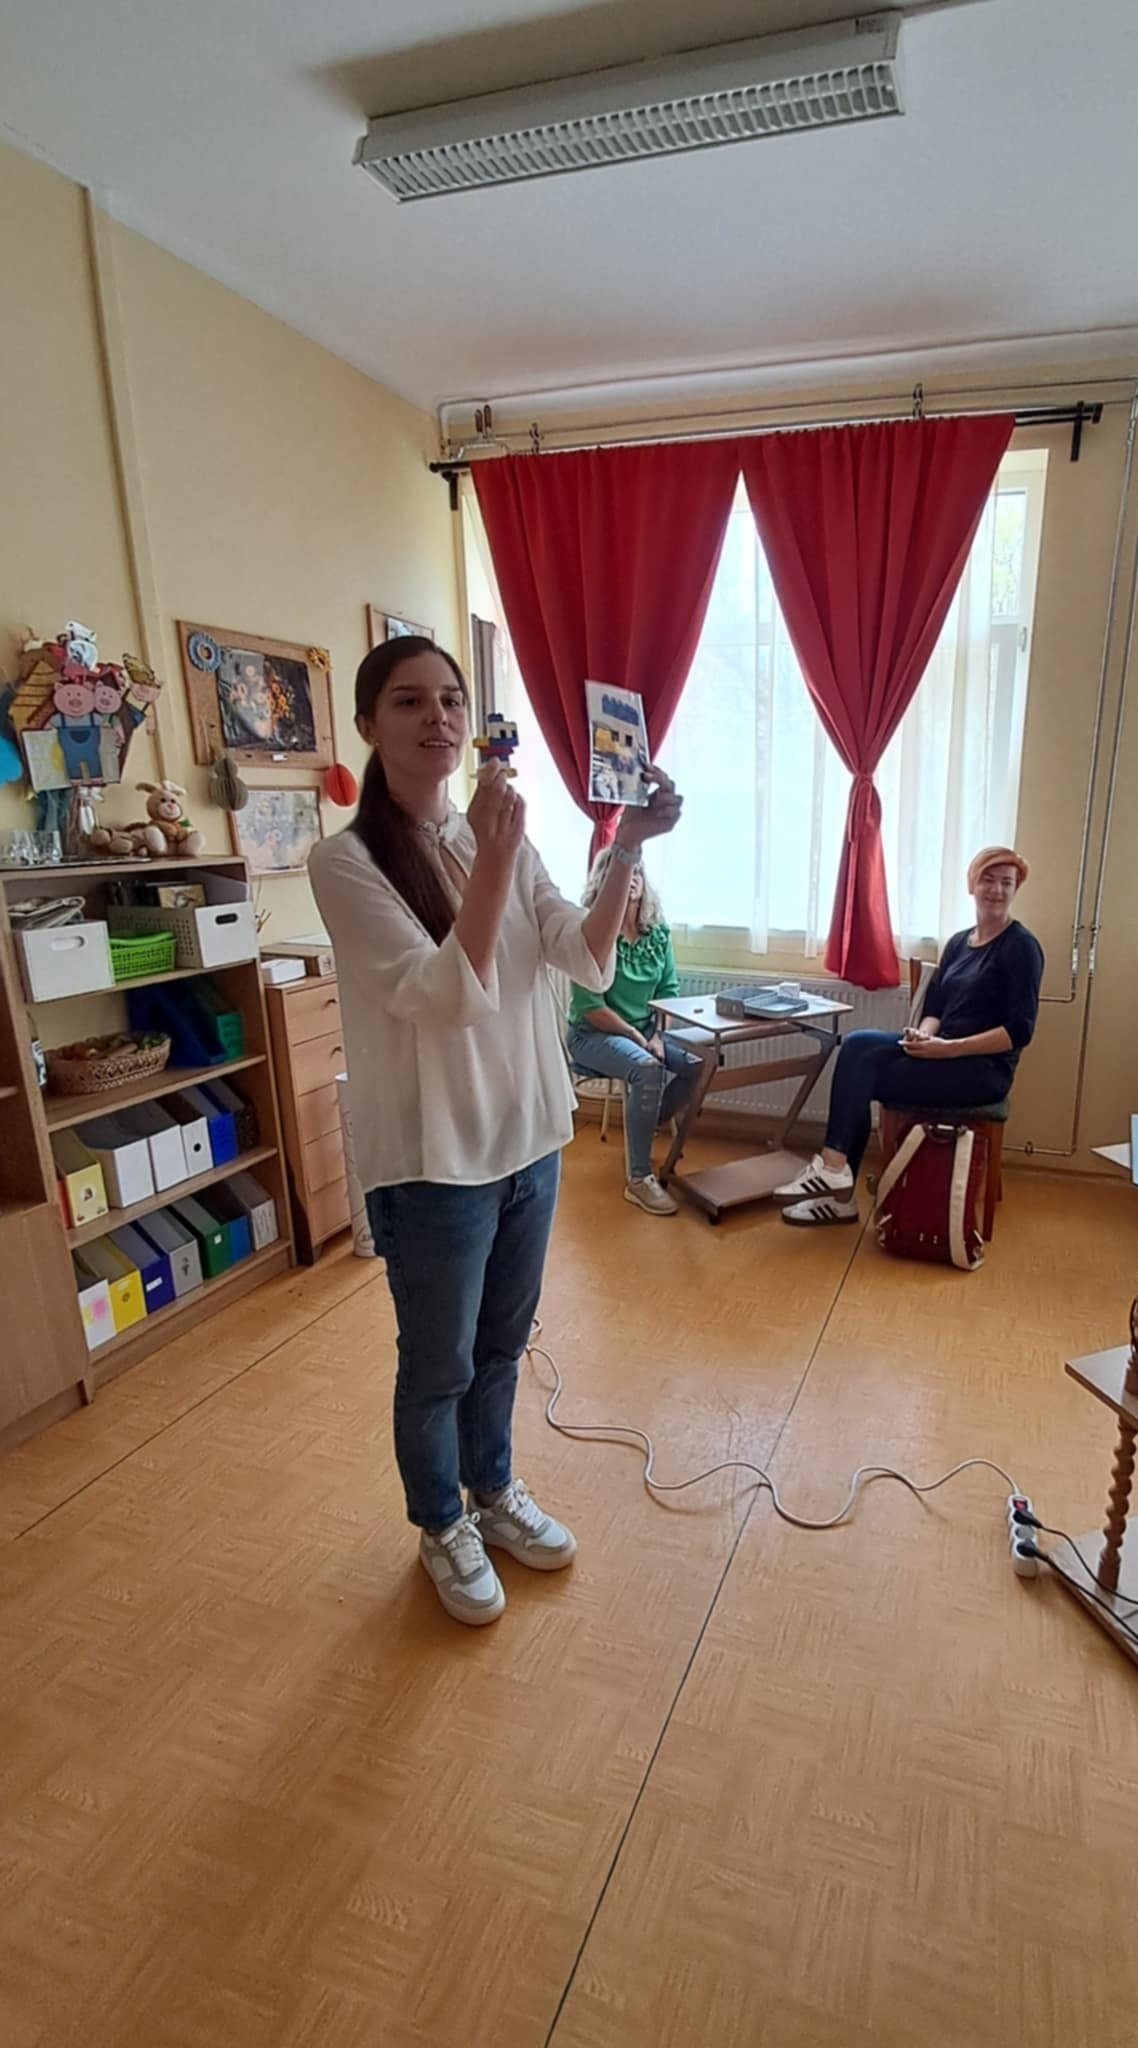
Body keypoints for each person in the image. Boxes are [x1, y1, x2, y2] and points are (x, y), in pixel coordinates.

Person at [309, 638, 682, 1626]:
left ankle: (494, 1490)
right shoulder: (344, 862)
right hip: (436, 1158)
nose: (436, 717)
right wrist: (497, 856)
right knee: (439, 1363)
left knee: (505, 1345)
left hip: (527, 1140)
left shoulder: (499, 837)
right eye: (408, 701)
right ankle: (441, 1522)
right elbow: (443, 997)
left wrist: (629, 844)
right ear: (368, 725)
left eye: (449, 699)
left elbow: (585, 957)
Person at [775, 847, 1043, 1226]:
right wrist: (924, 1034)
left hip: (981, 1071)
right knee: (857, 1045)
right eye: (988, 880)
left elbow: (1019, 1031)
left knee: (861, 1074)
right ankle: (835, 1172)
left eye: (1006, 883)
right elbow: (935, 1005)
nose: (996, 890)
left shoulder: (1022, 948)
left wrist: (947, 1049)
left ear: (1016, 890)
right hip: (940, 1052)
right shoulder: (959, 943)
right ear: (972, 885)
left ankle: (837, 1190)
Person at [565, 848, 703, 1215]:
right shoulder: (591, 934)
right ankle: (638, 1179)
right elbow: (591, 1007)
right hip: (592, 1034)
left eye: (637, 871)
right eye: (623, 872)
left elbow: (668, 992)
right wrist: (640, 1040)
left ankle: (648, 1118)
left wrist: (657, 1036)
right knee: (647, 1068)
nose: (632, 878)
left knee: (700, 1064)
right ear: (605, 882)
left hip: (646, 1030)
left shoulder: (658, 932)